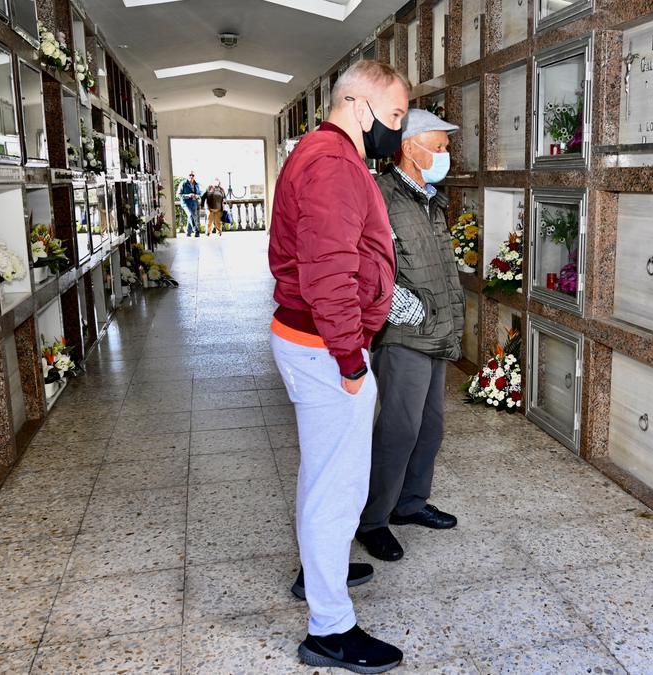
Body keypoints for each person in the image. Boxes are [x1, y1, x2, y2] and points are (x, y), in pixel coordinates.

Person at [267, 59, 410, 674]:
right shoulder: (332, 164)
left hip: (313, 341)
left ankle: (315, 570)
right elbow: (328, 274)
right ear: (359, 105)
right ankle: (330, 630)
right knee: (338, 484)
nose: (397, 132)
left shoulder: (325, 154)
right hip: (327, 347)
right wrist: (350, 359)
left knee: (322, 471)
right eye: (396, 116)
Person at [355, 109, 462, 563]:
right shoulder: (380, 195)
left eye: (446, 147)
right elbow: (363, 259)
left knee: (430, 426)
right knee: (399, 428)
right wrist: (400, 304)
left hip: (437, 327)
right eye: (437, 147)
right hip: (404, 332)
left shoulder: (429, 198)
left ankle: (410, 502)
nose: (445, 155)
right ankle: (372, 520)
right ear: (408, 147)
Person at [179, 172, 202, 237]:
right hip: (185, 203)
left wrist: (197, 196)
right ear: (187, 176)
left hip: (194, 203)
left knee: (191, 217)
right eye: (190, 175)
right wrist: (188, 195)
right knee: (190, 215)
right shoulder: (183, 183)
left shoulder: (196, 184)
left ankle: (188, 233)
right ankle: (196, 230)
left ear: (194, 176)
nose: (191, 176)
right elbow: (179, 194)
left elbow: (200, 193)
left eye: (193, 175)